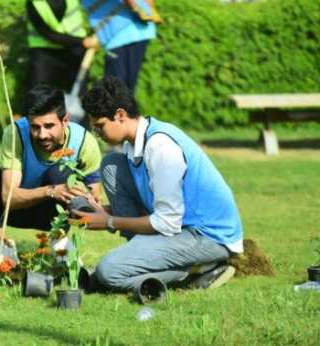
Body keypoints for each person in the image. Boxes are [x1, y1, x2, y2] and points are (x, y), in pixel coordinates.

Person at [75, 77, 243, 292]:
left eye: (100, 126)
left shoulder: (160, 147)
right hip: (179, 226)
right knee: (111, 165)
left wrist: (109, 221)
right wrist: (100, 211)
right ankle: (142, 258)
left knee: (109, 272)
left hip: (207, 236)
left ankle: (198, 270)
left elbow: (166, 222)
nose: (97, 134)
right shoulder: (134, 142)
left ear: (120, 115)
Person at [0, 85, 102, 269]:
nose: (42, 134)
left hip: (53, 216)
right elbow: (8, 198)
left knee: (60, 170)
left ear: (65, 120)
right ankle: (2, 246)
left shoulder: (85, 142)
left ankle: (61, 246)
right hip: (12, 210)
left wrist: (84, 201)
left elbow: (95, 202)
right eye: (35, 127)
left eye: (49, 126)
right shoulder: (15, 134)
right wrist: (50, 191)